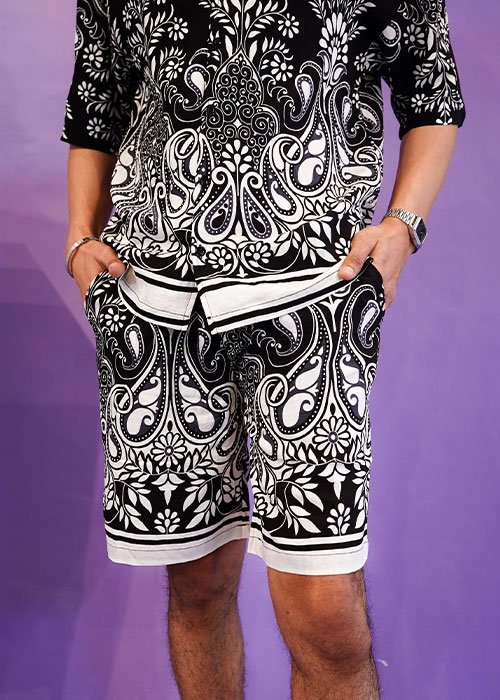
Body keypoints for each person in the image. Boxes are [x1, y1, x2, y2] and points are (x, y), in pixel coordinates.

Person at [60, 1, 465, 697]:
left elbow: (432, 90)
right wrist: (79, 237)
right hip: (157, 308)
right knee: (198, 583)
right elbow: (97, 107)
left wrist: (403, 224)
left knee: (326, 615)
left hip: (314, 301)